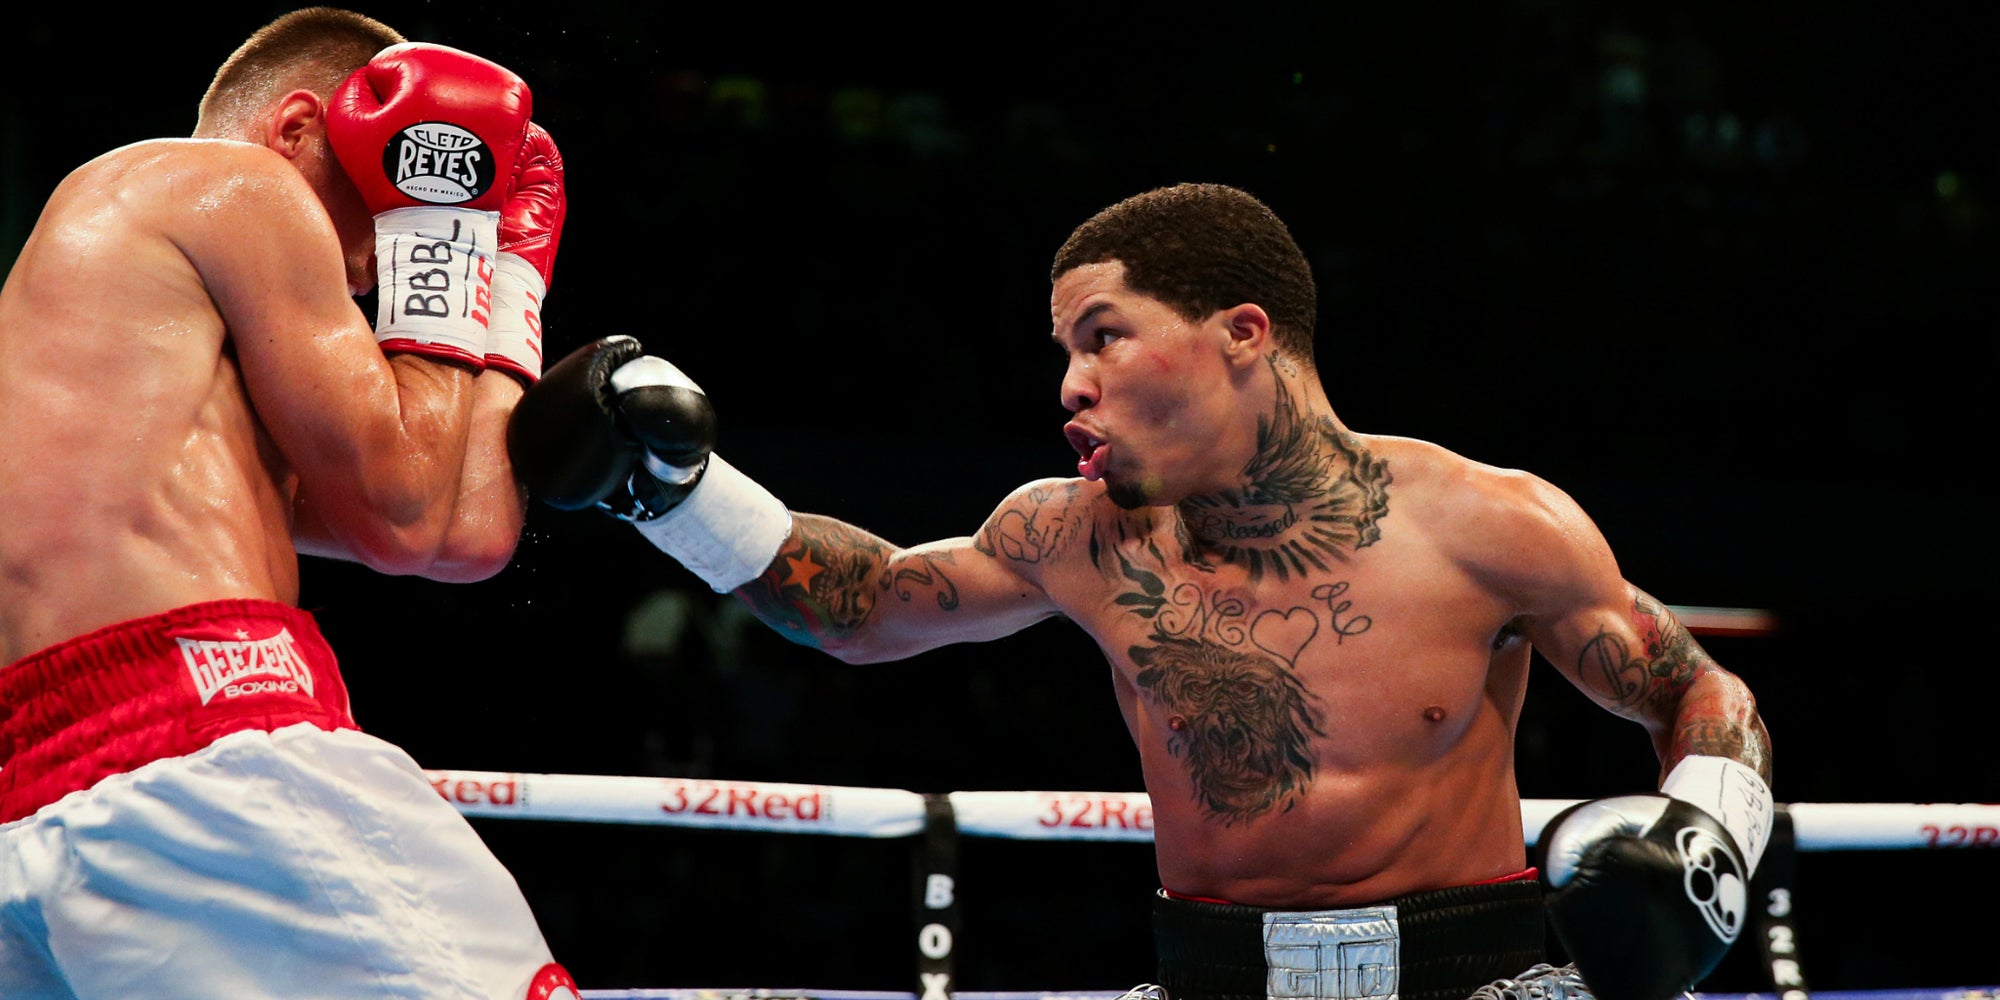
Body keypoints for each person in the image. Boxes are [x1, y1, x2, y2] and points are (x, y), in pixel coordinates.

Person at [509, 182, 1773, 1000]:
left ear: (1241, 333)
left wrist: (1705, 840)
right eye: (1064, 350)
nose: (1070, 384)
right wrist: (674, 492)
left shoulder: (1485, 524)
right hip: (1201, 978)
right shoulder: (1078, 535)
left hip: (1473, 976)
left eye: (1101, 335)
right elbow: (863, 606)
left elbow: (1698, 693)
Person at [0, 8, 576, 998]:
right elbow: (404, 511)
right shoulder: (227, 179)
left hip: (36, 805)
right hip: (205, 739)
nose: (374, 268)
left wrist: (509, 275)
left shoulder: (146, 375)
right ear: (299, 128)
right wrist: (439, 229)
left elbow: (461, 534)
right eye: (384, 189)